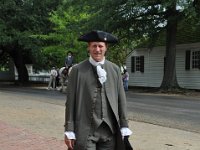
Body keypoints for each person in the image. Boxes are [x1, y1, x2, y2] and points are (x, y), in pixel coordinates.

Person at [64, 30, 132, 150]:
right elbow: (70, 102)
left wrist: (124, 125)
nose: (97, 49)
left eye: (100, 46)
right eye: (94, 46)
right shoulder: (77, 70)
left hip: (109, 131)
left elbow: (121, 100)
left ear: (106, 48)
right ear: (88, 48)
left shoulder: (114, 69)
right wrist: (69, 129)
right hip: (86, 130)